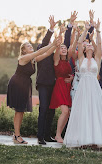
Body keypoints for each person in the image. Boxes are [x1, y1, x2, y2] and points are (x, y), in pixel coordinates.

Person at [63, 17, 102, 149]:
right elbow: (79, 42)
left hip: (94, 87)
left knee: (95, 111)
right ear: (84, 49)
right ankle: (82, 138)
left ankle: (97, 138)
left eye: (91, 43)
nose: (89, 44)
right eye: (88, 44)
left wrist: (98, 30)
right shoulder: (81, 58)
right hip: (83, 87)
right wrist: (85, 30)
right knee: (83, 110)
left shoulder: (97, 58)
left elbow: (100, 44)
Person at [7, 38, 59, 144]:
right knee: (19, 110)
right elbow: (40, 51)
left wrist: (55, 45)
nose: (31, 46)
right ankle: (17, 136)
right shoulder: (24, 58)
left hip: (24, 85)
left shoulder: (32, 59)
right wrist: (52, 43)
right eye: (28, 46)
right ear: (24, 50)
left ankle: (16, 135)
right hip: (17, 84)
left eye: (31, 45)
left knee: (21, 111)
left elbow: (47, 53)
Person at [35, 14, 73, 145]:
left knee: (51, 111)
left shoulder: (55, 55)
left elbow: (63, 47)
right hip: (44, 83)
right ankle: (40, 136)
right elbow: (47, 42)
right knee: (44, 108)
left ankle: (47, 135)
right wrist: (51, 29)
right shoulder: (41, 49)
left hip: (54, 84)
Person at [49, 25, 73, 143]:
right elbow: (58, 46)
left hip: (67, 87)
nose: (63, 49)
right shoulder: (57, 59)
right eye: (62, 48)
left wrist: (72, 77)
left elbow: (70, 73)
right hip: (59, 86)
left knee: (67, 112)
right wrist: (61, 33)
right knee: (64, 111)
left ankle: (60, 134)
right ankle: (58, 135)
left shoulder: (68, 61)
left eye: (65, 48)